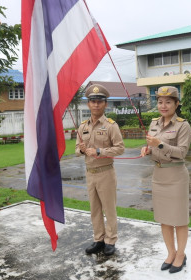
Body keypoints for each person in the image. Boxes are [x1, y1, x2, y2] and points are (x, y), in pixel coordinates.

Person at [140, 86, 191, 274]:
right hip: (158, 175)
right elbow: (152, 146)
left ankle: (181, 254)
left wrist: (159, 144)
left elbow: (182, 153)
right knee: (164, 219)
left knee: (179, 219)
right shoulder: (154, 123)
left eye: (168, 102)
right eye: (160, 102)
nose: (163, 105)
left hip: (176, 176)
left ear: (176, 104)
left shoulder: (182, 125)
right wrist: (147, 150)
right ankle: (170, 253)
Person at [75, 84, 124, 256]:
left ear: (105, 104)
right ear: (88, 104)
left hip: (106, 172)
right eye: (93, 101)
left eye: (99, 102)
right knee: (94, 209)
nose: (96, 104)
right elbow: (76, 150)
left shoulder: (111, 126)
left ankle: (111, 240)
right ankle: (99, 239)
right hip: (90, 173)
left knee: (109, 208)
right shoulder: (83, 127)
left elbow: (120, 148)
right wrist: (81, 149)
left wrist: (99, 151)